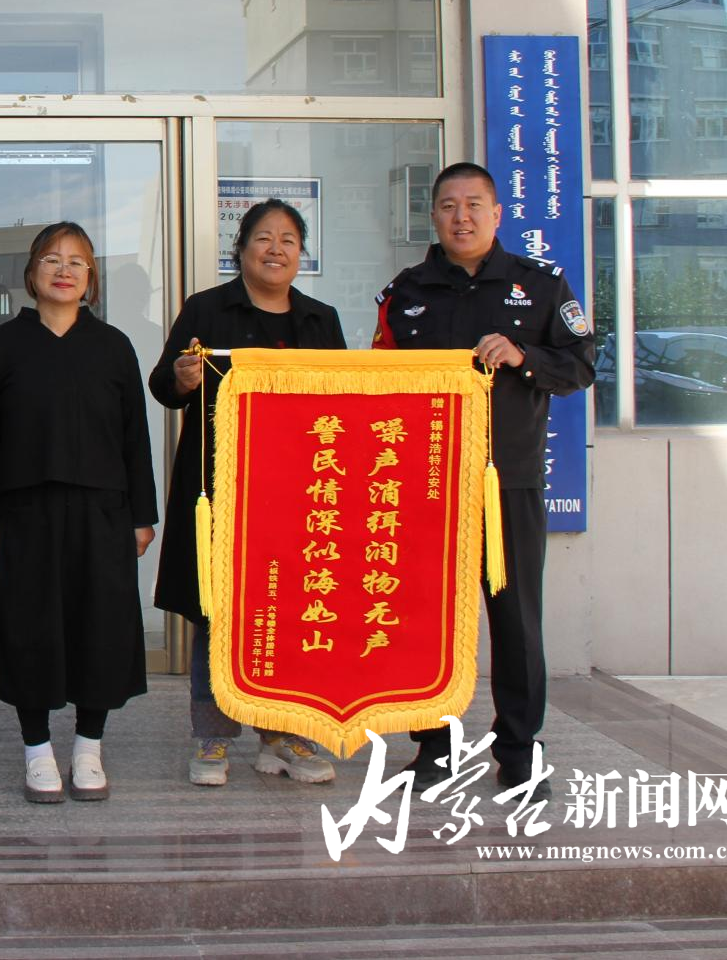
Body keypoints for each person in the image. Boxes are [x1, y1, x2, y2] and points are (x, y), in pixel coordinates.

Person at [374, 162, 595, 797]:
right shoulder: (405, 293)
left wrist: (524, 357)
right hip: (426, 487)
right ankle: (434, 748)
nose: (462, 217)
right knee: (427, 619)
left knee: (516, 622)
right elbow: (380, 378)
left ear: (497, 214)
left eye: (474, 204)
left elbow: (581, 364)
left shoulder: (540, 285)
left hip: (509, 486)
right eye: (449, 206)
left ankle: (520, 752)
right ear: (434, 216)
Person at [149, 200, 346, 788]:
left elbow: (344, 400)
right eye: (263, 238)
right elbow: (163, 383)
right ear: (241, 249)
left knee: (289, 610)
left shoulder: (321, 320)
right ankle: (213, 736)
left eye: (288, 240)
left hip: (297, 494)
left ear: (301, 254)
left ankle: (283, 734)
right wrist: (182, 376)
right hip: (219, 490)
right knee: (217, 612)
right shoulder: (206, 309)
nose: (275, 249)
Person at [0, 221, 158, 803]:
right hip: (27, 513)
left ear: (91, 277)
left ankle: (89, 747)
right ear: (32, 274)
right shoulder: (3, 346)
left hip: (103, 512)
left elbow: (135, 438)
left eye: (77, 261)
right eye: (51, 259)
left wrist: (142, 515)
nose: (64, 269)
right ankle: (36, 749)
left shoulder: (113, 346)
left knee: (100, 626)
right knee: (30, 628)